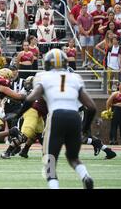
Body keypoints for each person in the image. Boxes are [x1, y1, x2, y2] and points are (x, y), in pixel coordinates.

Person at [24, 48, 96, 189]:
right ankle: (85, 176)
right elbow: (92, 107)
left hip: (57, 116)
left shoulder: (43, 76)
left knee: (49, 159)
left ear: (47, 64)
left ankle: (54, 186)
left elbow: (31, 98)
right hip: (75, 117)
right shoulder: (75, 77)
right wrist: (85, 128)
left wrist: (19, 113)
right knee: (73, 157)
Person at [106, 81, 121, 145]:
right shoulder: (115, 93)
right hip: (116, 110)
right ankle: (113, 140)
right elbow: (108, 102)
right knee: (114, 125)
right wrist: (108, 111)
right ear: (118, 86)